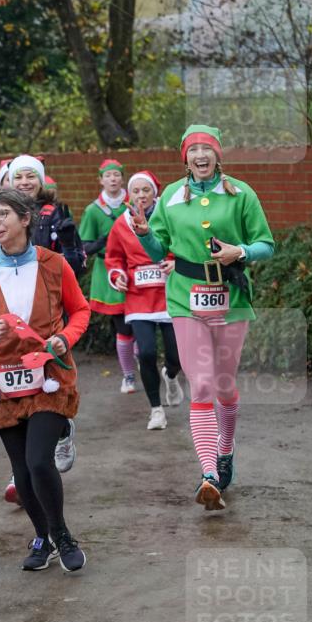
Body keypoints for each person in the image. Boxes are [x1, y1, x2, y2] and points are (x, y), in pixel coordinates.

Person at [132, 124, 274, 509]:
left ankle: (225, 450)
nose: (200, 156)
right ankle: (208, 473)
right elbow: (156, 247)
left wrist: (240, 252)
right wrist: (144, 232)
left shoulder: (241, 193)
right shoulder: (171, 198)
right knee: (204, 386)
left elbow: (266, 244)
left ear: (217, 155)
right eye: (193, 150)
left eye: (206, 149)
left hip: (231, 297)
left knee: (225, 386)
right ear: (185, 159)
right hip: (184, 298)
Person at [0, 189, 91, 572]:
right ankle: (44, 536)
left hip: (50, 377)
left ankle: (62, 535)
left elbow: (80, 310)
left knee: (39, 461)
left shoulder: (53, 264)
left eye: (2, 215)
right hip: (2, 385)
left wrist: (64, 338)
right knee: (22, 473)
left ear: (25, 219)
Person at [8, 154, 84, 481]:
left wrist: (68, 244)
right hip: (11, 310)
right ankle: (22, 469)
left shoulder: (56, 215)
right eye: (18, 177)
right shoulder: (2, 213)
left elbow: (77, 266)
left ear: (41, 180)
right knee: (14, 382)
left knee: (48, 379)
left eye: (30, 176)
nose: (25, 182)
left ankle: (62, 429)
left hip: (49, 314)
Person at [105, 170, 183, 430]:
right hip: (138, 298)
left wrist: (174, 261)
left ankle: (171, 376)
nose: (141, 196)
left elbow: (184, 246)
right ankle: (156, 409)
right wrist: (116, 275)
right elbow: (114, 257)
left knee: (177, 355)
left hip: (170, 295)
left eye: (145, 190)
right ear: (130, 194)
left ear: (155, 193)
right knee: (147, 352)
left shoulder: (170, 217)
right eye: (136, 191)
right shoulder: (120, 224)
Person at [79, 158, 136, 393]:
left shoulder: (134, 202)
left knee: (142, 321)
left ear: (122, 178)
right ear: (100, 180)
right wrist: (103, 242)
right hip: (107, 270)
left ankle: (142, 360)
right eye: (108, 175)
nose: (113, 179)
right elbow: (85, 246)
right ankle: (128, 375)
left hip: (136, 268)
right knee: (121, 324)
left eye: (116, 174)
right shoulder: (93, 210)